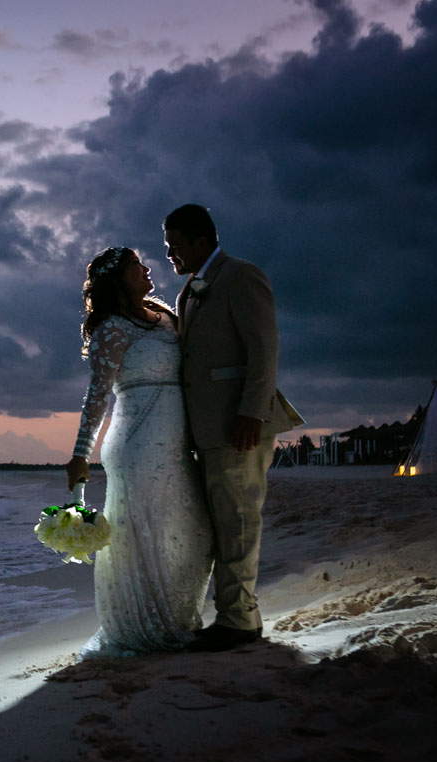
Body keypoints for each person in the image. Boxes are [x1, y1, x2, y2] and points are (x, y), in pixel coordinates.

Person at [163, 204, 303, 652]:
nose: (170, 254)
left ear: (202, 241)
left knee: (239, 521)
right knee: (223, 524)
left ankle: (239, 620)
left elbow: (264, 349)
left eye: (177, 246)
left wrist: (253, 411)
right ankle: (235, 615)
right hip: (208, 429)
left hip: (239, 425)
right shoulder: (191, 291)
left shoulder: (241, 275)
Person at [65, 246, 214, 656]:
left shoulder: (167, 317)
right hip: (136, 444)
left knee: (194, 533)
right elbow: (96, 397)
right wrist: (80, 454)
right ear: (118, 277)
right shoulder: (111, 328)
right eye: (136, 265)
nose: (147, 269)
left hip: (181, 439)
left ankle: (182, 617)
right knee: (144, 536)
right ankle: (150, 626)